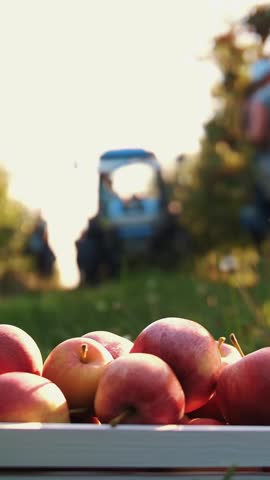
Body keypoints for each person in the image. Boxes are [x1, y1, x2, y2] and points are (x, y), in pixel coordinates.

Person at [240, 57, 270, 250]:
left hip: (266, 159)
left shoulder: (261, 98)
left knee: (260, 208)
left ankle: (260, 253)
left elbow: (257, 135)